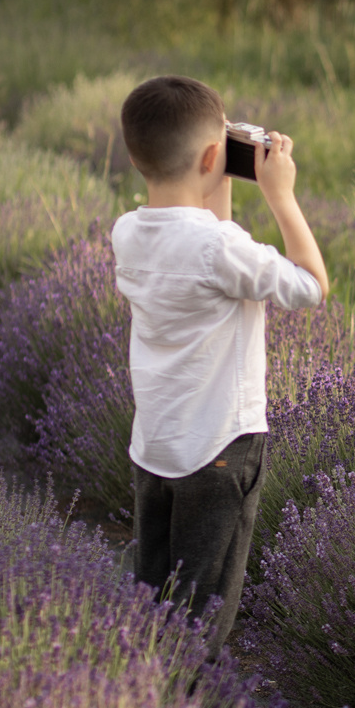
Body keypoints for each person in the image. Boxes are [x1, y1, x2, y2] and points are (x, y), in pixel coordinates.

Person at [112, 74, 328, 655]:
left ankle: (132, 699)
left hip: (156, 449)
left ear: (136, 158)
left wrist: (216, 174)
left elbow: (211, 238)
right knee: (201, 613)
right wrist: (281, 195)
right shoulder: (220, 252)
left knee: (152, 597)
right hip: (219, 450)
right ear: (214, 155)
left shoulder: (128, 233)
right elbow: (310, 286)